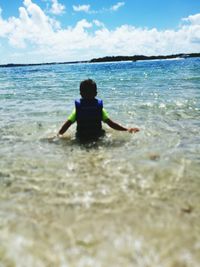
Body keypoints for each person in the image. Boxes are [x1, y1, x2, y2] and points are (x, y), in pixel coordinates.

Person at [58, 79, 139, 141]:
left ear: (81, 94)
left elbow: (67, 125)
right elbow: (111, 124)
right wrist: (127, 129)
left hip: (81, 137)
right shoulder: (99, 108)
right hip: (98, 136)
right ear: (96, 93)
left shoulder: (78, 109)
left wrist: (58, 135)